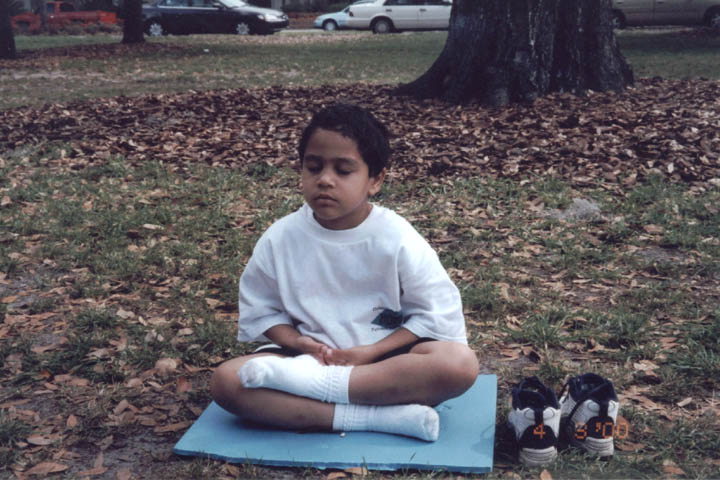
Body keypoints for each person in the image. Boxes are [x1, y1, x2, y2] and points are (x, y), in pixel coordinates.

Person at [210, 103, 479, 442]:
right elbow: (262, 310)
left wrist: (371, 352)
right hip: (303, 363)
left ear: (375, 180)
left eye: (343, 170)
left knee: (458, 364)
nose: (325, 180)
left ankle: (326, 392)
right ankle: (377, 418)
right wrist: (298, 343)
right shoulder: (280, 238)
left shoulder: (397, 237)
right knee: (228, 382)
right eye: (314, 167)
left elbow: (434, 314)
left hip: (383, 367)